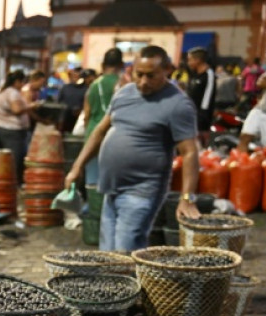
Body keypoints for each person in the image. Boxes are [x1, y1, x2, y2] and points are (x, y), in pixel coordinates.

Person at [65, 46, 201, 252]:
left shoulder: (177, 104)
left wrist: (187, 198)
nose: (143, 82)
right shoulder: (124, 93)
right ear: (132, 70)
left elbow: (190, 152)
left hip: (142, 190)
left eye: (151, 76)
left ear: (166, 70)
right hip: (111, 187)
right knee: (107, 256)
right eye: (139, 74)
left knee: (124, 253)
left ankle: (135, 284)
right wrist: (77, 166)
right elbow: (100, 131)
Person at [82, 48, 127, 188]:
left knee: (93, 179)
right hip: (114, 135)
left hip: (92, 132)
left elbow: (87, 114)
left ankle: (92, 206)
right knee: (112, 180)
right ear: (121, 65)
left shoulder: (93, 85)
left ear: (102, 65)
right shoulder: (123, 85)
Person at [0, 70, 38, 185]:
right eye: (22, 82)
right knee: (14, 160)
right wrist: (32, 106)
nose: (23, 85)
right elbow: (16, 110)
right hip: (12, 131)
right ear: (17, 81)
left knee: (1, 159)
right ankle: (12, 185)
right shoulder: (13, 93)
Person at [186, 47, 216, 145]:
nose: (188, 63)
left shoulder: (209, 74)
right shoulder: (194, 74)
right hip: (190, 114)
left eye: (190, 60)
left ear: (197, 60)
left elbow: (208, 97)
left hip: (201, 117)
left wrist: (202, 116)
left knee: (199, 145)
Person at [57, 68, 94, 133]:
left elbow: (89, 104)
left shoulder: (87, 89)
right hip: (66, 119)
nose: (76, 78)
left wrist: (81, 111)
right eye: (74, 76)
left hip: (80, 120)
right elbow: (59, 103)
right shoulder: (65, 88)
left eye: (78, 76)